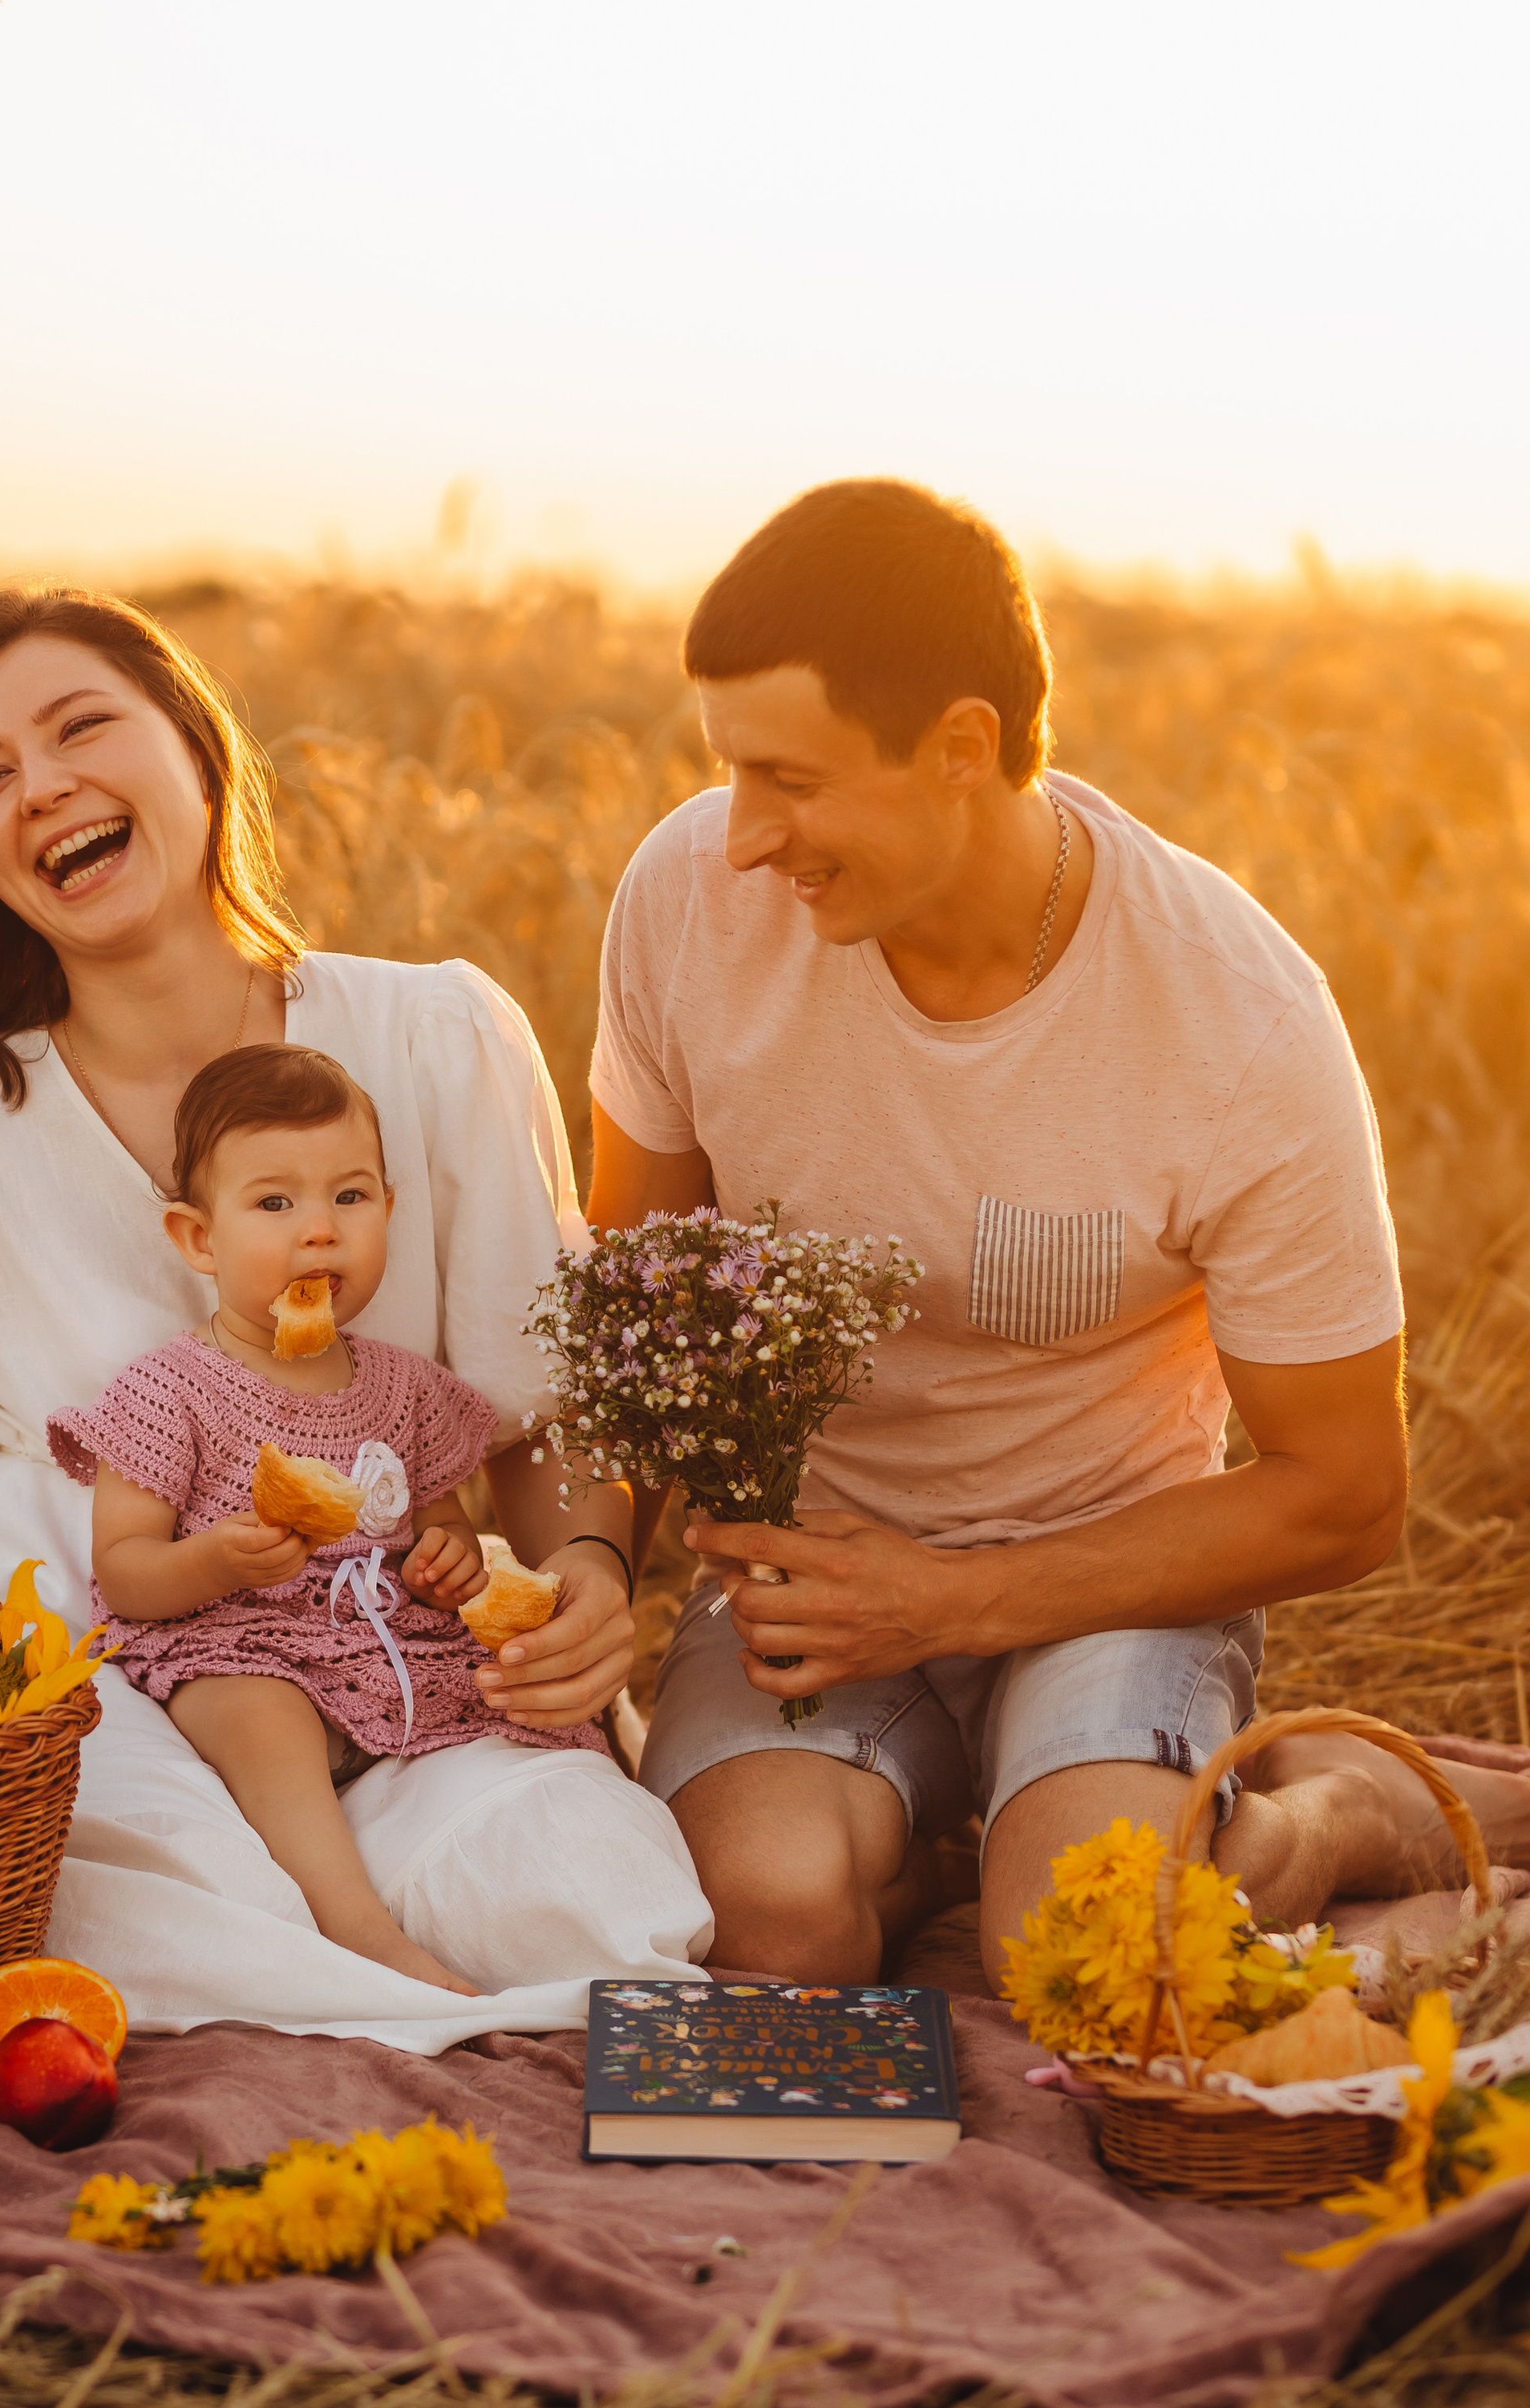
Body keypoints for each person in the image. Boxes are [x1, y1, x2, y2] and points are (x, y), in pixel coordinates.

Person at [0, 583, 710, 2049]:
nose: (40, 787)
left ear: (197, 749)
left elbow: (539, 1412)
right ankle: (309, 1950)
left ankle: (329, 1951)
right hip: (104, 1679)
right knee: (101, 1879)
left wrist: (586, 1570)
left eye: (80, 729)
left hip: (400, 1660)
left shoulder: (430, 1040)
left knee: (599, 1900)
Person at [589, 477, 1530, 1984]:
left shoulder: (1237, 1020)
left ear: (962, 749)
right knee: (766, 1927)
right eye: (730, 773)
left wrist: (956, 1598)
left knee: (1084, 1956)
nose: (745, 836)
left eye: (791, 779)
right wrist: (582, 1560)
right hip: (813, 1599)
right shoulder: (688, 905)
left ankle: (1329, 1815)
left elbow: (1349, 1492)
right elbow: (629, 1319)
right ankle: (958, 1821)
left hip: (1111, 1583)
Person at [47, 1043, 609, 2001]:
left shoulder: (403, 1388)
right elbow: (125, 1571)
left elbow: (445, 1525)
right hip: (241, 1642)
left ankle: (554, 1875)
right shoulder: (170, 1391)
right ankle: (359, 1929)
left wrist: (451, 1559)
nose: (319, 1233)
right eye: (274, 1205)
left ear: (389, 1210)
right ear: (197, 1238)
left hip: (392, 1642)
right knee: (257, 1716)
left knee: (522, 1699)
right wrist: (217, 1560)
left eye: (348, 1198)